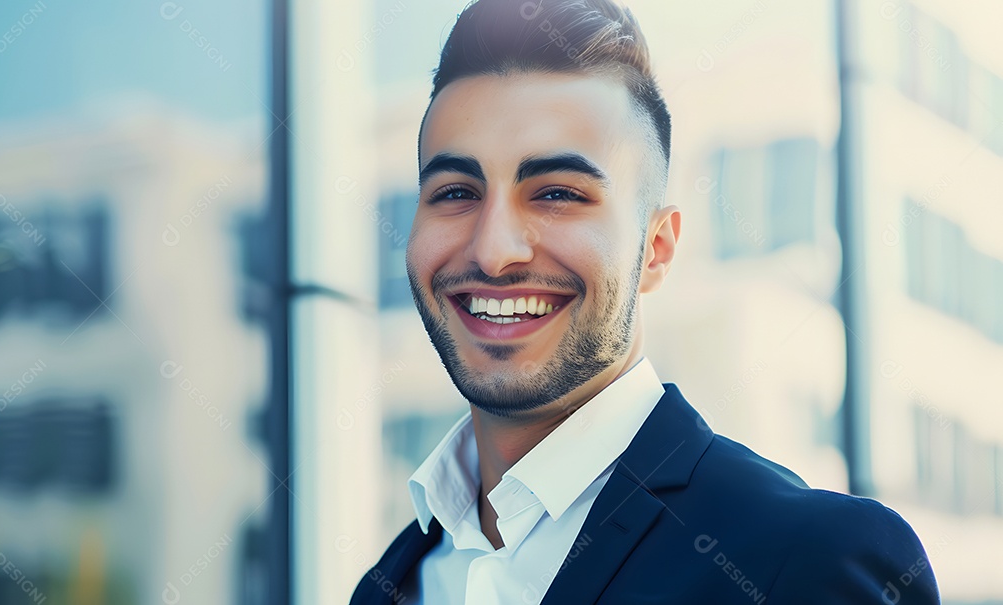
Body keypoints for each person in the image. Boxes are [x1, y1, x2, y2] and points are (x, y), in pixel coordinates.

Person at [350, 0, 940, 603]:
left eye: (556, 193)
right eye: (455, 192)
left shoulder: (809, 560)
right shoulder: (389, 584)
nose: (494, 250)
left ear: (655, 251)